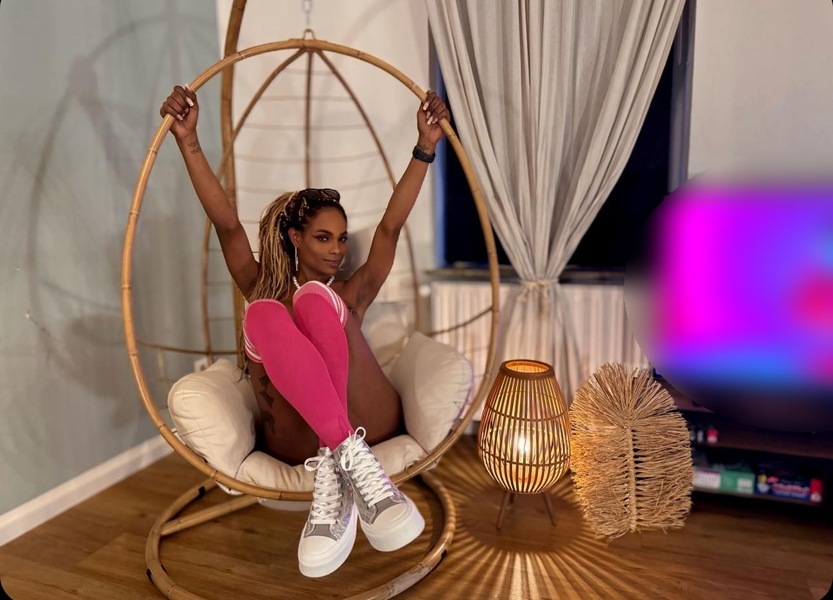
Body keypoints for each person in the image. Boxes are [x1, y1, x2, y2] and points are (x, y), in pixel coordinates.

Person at [160, 84, 449, 578]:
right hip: (297, 444)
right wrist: (189, 141)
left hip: (371, 422)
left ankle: (350, 455)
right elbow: (228, 227)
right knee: (264, 313)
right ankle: (342, 456)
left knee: (315, 298)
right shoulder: (262, 289)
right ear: (295, 238)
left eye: (341, 239)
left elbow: (388, 229)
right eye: (323, 237)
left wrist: (425, 147)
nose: (337, 250)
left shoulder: (351, 292)